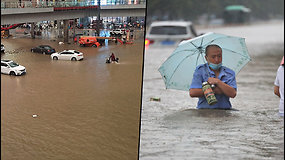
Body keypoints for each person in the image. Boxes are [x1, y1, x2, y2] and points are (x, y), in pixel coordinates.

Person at [189, 44, 237, 109]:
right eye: (213, 57)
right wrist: (213, 90)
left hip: (225, 111)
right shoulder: (200, 71)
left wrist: (218, 82)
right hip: (204, 111)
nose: (217, 60)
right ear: (206, 58)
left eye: (219, 56)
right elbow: (193, 92)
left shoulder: (229, 73)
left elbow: (233, 93)